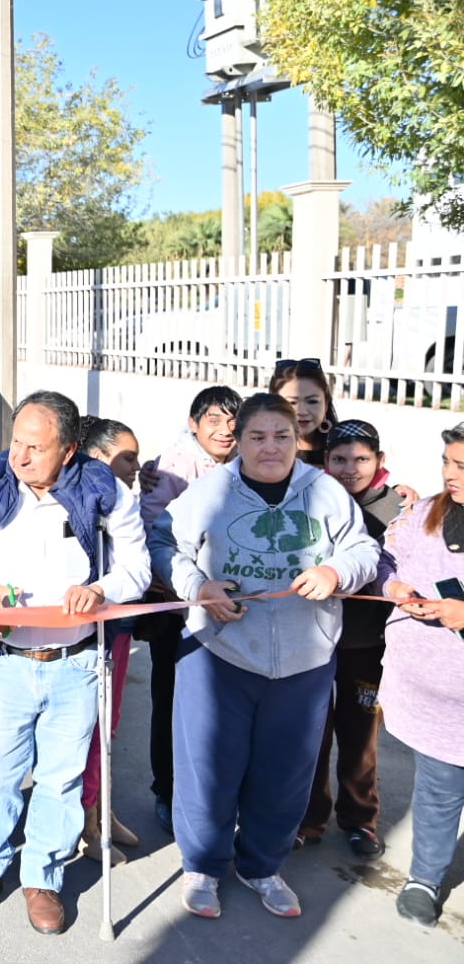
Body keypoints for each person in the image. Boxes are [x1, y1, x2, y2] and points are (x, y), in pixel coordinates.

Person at [150, 392, 379, 921]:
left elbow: (365, 549)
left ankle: (262, 867)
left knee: (287, 770)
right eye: (258, 436)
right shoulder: (210, 491)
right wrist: (198, 585)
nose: (270, 447)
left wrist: (335, 573)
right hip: (218, 654)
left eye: (281, 436)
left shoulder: (324, 491)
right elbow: (164, 544)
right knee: (208, 765)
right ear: (241, 439)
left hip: (305, 658)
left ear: (297, 438)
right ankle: (203, 865)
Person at [0, 392, 150, 936]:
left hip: (76, 661)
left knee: (61, 779)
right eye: (16, 442)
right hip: (3, 660)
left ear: (70, 449)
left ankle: (43, 876)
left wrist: (100, 590)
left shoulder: (106, 490)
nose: (20, 456)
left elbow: (136, 566)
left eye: (36, 447)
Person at [297, 419, 404, 858]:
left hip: (370, 646)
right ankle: (308, 818)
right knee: (313, 735)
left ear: (380, 462)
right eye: (339, 459)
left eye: (361, 459)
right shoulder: (310, 501)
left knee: (361, 737)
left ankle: (361, 819)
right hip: (317, 640)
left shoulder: (399, 509)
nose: (349, 468)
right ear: (325, 460)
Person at [138, 384, 241, 834]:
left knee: (225, 708)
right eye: (213, 421)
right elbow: (152, 532)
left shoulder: (244, 463)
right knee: (173, 702)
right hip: (175, 610)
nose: (225, 430)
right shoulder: (173, 467)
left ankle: (218, 795)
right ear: (194, 424)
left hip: (231, 612)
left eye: (232, 421)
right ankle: (169, 791)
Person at [377, 420, 464, 928]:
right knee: (438, 788)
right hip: (436, 702)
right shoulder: (426, 513)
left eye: (463, 468)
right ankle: (424, 878)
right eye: (448, 463)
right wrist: (395, 586)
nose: (451, 475)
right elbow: (388, 560)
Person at [74, 415, 143, 865]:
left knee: (110, 723)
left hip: (118, 625)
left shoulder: (125, 498)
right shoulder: (78, 499)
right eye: (128, 457)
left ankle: (100, 807)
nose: (137, 465)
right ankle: (84, 821)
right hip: (85, 630)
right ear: (96, 457)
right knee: (89, 726)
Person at [268, 357, 338, 468]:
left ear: (326, 404)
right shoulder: (259, 451)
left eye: (312, 401)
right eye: (291, 402)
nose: (302, 412)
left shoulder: (346, 449)